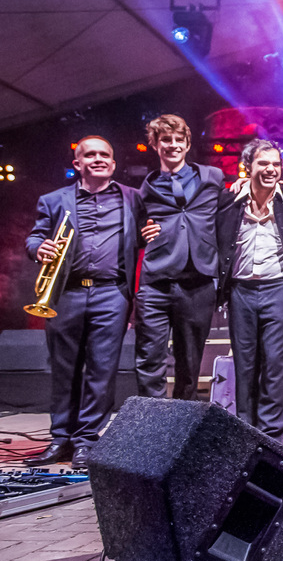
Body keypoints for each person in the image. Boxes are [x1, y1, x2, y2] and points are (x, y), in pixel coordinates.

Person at [24, 137, 144, 468]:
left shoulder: (133, 197)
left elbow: (149, 230)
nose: (98, 159)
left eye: (105, 154)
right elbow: (35, 236)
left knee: (101, 371)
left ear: (114, 163)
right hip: (66, 293)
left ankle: (86, 441)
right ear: (77, 163)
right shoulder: (53, 200)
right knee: (64, 370)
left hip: (111, 293)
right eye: (90, 155)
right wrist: (38, 248)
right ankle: (60, 439)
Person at [216, 139, 283, 443]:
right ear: (248, 166)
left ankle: (272, 442)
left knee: (276, 368)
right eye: (263, 163)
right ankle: (246, 436)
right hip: (241, 291)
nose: (271, 169)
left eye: (276, 164)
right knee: (245, 367)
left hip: (280, 289)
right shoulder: (229, 200)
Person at [134, 114, 225, 401]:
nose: (172, 145)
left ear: (187, 144)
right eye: (165, 140)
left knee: (190, 363)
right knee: (150, 358)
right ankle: (153, 421)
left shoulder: (213, 177)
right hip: (156, 282)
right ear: (154, 144)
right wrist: (141, 234)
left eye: (178, 139)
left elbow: (229, 212)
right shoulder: (144, 190)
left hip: (198, 282)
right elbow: (134, 232)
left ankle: (184, 420)